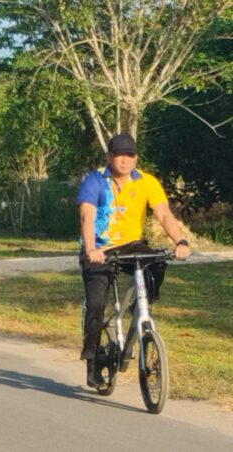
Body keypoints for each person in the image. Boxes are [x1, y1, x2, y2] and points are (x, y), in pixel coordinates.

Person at [77, 133, 191, 388]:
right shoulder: (95, 180)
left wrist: (180, 241)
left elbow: (163, 214)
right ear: (109, 157)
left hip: (130, 244)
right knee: (96, 303)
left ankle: (141, 305)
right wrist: (91, 249)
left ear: (136, 158)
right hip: (100, 247)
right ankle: (93, 360)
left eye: (130, 155)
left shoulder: (146, 181)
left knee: (158, 261)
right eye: (120, 155)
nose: (125, 160)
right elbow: (87, 216)